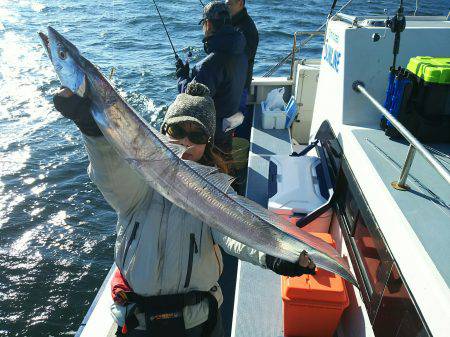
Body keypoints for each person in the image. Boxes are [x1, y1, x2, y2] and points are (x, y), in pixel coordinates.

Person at [52, 82, 316, 337]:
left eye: (197, 135)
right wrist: (94, 133)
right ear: (163, 130)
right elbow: (110, 176)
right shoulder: (137, 180)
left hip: (197, 322)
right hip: (137, 321)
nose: (186, 143)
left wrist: (274, 255)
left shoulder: (216, 191)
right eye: (178, 131)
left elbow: (234, 234)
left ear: (208, 143)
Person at [176, 1, 247, 157]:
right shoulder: (241, 54)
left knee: (212, 167)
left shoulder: (209, 65)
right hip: (228, 127)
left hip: (212, 134)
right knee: (224, 161)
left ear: (208, 24)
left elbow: (191, 101)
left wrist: (181, 77)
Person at [225, 0, 259, 140]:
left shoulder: (247, 29)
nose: (226, 6)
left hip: (238, 87)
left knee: (233, 126)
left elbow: (240, 60)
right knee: (227, 125)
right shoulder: (231, 22)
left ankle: (234, 153)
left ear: (240, 3)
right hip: (229, 86)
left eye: (229, 4)